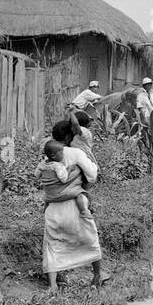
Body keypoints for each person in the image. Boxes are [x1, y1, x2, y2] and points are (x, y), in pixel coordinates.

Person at [41, 118, 108, 290]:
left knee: (53, 244)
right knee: (89, 238)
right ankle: (97, 275)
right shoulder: (76, 153)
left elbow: (43, 178)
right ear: (70, 135)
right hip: (75, 204)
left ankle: (53, 285)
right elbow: (92, 175)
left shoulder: (47, 157)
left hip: (53, 207)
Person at [39, 139, 91, 219]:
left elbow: (36, 174)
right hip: (59, 194)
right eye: (61, 153)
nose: (63, 155)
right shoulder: (57, 166)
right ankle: (84, 211)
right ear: (53, 155)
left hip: (49, 195)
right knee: (79, 194)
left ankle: (45, 209)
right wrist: (69, 169)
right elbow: (63, 179)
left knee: (46, 199)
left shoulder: (42, 164)